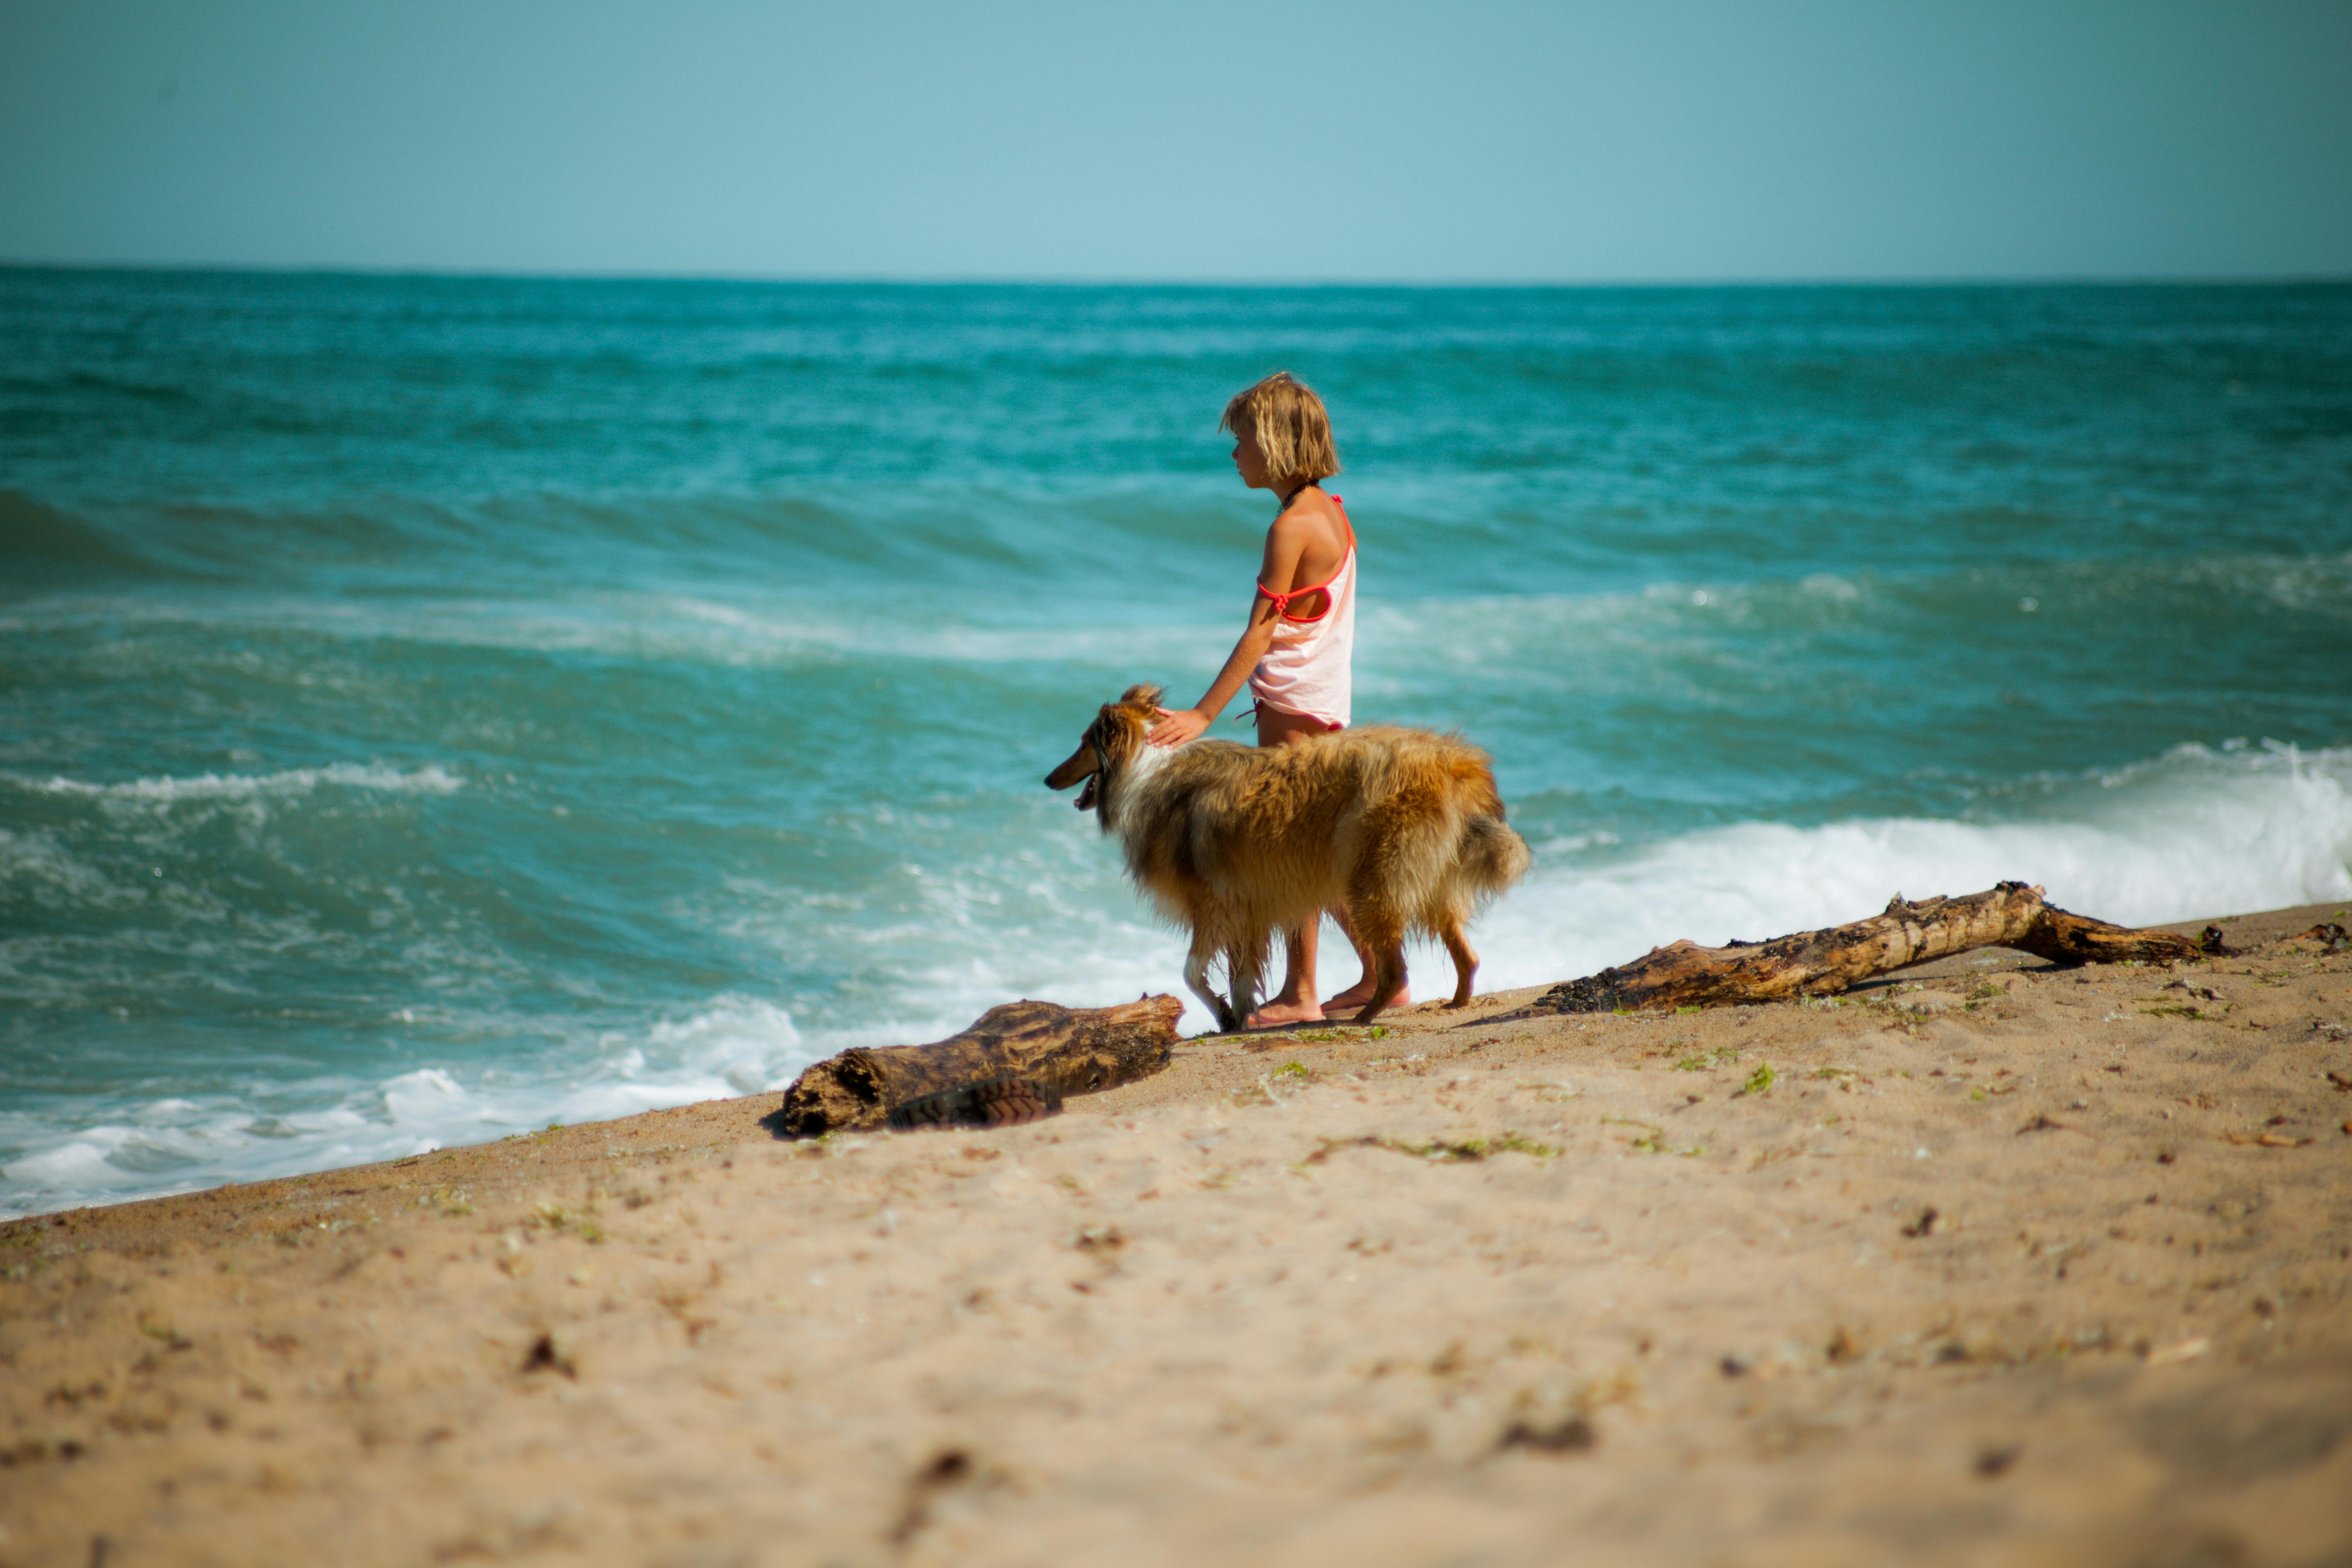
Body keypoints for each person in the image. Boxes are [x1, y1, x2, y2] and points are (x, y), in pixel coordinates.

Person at [1147, 370, 1404, 1026]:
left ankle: (1300, 994)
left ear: (1275, 443)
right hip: (1323, 698)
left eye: (1241, 442)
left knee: (1289, 851)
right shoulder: (1332, 514)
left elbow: (1261, 630)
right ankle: (1384, 978)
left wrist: (1202, 714)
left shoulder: (1291, 527)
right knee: (1318, 850)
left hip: (1293, 703)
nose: (1234, 456)